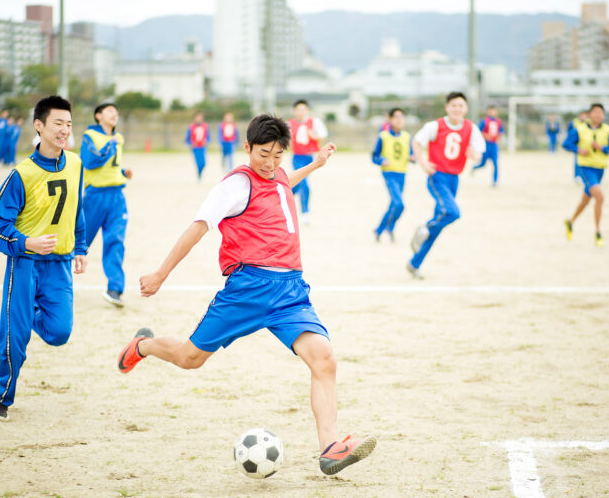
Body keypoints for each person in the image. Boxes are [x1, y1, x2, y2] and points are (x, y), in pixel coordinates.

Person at [117, 113, 376, 475]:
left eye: (277, 155)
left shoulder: (279, 174)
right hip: (248, 289)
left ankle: (330, 448)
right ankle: (142, 346)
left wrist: (314, 165)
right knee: (191, 358)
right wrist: (161, 273)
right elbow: (198, 227)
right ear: (248, 148)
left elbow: (286, 180)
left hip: (290, 291)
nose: (270, 164)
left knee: (324, 359)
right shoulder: (235, 185)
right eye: (263, 155)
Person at [0, 95, 88, 420]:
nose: (64, 130)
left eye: (68, 124)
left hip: (59, 265)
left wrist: (81, 247)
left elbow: (76, 210)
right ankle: (0, 399)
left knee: (60, 332)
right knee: (15, 339)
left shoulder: (75, 164)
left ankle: (25, 314)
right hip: (25, 265)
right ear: (39, 126)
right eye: (58, 123)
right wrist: (27, 242)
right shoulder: (21, 174)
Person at [407, 92, 486, 279]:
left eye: (460, 105)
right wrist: (423, 163)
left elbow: (479, 152)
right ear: (447, 108)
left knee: (440, 223)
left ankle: (414, 263)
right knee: (452, 212)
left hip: (454, 179)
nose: (457, 109)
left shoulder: (470, 128)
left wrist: (475, 156)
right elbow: (416, 142)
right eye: (453, 105)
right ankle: (425, 228)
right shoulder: (436, 126)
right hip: (438, 177)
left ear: (465, 108)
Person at [80, 103, 132, 307]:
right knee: (79, 243)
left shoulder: (118, 138)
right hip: (95, 197)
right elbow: (91, 162)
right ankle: (50, 283)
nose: (115, 115)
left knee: (115, 242)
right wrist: (111, 143)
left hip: (117, 197)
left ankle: (115, 289)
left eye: (116, 112)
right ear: (98, 115)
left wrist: (122, 172)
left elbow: (111, 166)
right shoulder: (90, 136)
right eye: (110, 111)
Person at [563, 103, 609, 248]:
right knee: (599, 196)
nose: (597, 115)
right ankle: (598, 232)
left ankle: (570, 222)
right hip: (585, 168)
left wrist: (602, 148)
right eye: (594, 112)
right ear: (589, 115)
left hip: (600, 169)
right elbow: (566, 144)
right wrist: (579, 150)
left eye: (600, 113)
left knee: (586, 200)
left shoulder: (608, 131)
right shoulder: (580, 129)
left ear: (603, 115)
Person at [372, 107, 414, 242]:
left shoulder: (407, 137)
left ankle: (380, 229)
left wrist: (413, 158)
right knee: (399, 204)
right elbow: (374, 156)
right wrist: (381, 160)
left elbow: (412, 154)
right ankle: (389, 228)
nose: (399, 120)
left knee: (394, 205)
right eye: (396, 117)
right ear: (390, 119)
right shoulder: (383, 136)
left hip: (402, 173)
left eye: (402, 117)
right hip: (389, 173)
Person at [288, 99, 327, 224]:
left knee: (298, 182)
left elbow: (323, 135)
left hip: (309, 157)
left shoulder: (314, 122)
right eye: (298, 109)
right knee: (303, 182)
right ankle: (305, 212)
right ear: (294, 111)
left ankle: (285, 196)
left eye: (303, 109)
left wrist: (313, 136)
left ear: (307, 110)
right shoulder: (290, 123)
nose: (300, 112)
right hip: (297, 157)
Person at [471, 105, 503, 186]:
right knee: (482, 164)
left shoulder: (498, 122)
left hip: (494, 145)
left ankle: (495, 181)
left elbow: (501, 132)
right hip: (485, 145)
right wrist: (486, 136)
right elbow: (478, 132)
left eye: (494, 110)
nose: (493, 112)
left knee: (495, 163)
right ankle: (474, 167)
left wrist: (498, 138)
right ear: (488, 112)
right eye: (491, 110)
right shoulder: (484, 121)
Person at [185, 112, 210, 180]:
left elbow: (208, 137)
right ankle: (199, 174)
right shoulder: (191, 127)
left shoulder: (205, 126)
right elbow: (187, 139)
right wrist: (191, 143)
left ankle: (200, 172)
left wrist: (206, 141)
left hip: (202, 147)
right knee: (198, 162)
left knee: (204, 162)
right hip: (195, 148)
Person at [568, 110, 588, 183]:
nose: (583, 117)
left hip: (587, 145)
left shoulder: (589, 122)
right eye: (582, 115)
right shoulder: (574, 122)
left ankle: (585, 176)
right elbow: (569, 131)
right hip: (578, 144)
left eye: (585, 115)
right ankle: (577, 176)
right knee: (577, 160)